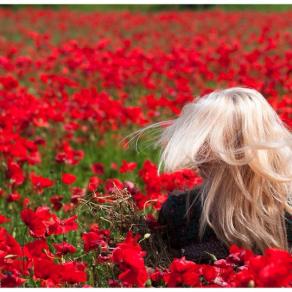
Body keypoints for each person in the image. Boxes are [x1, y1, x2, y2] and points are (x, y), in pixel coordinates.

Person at [127, 87, 292, 263]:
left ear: (237, 152)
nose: (198, 156)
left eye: (206, 144)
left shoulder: (182, 212)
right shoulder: (180, 212)